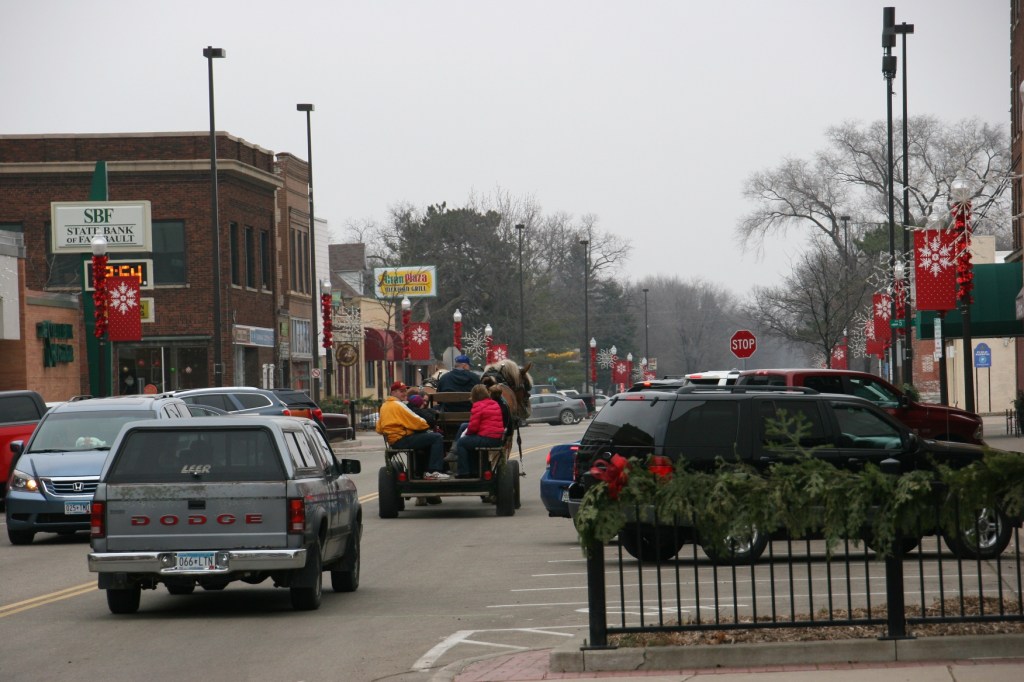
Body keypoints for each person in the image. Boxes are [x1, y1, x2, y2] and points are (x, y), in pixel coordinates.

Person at [376, 381, 449, 479]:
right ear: (393, 392)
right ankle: (433, 471)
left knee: (426, 439)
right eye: (401, 391)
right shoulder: (398, 405)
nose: (404, 393)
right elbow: (416, 420)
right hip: (402, 439)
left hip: (393, 440)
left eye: (405, 391)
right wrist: (425, 426)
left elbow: (379, 428)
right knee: (437, 437)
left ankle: (421, 471)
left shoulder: (384, 406)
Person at [454, 384, 506, 478]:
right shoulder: (494, 403)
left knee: (462, 442)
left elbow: (473, 427)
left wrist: (467, 435)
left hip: (487, 438)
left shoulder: (478, 405)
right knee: (464, 426)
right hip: (496, 437)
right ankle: (474, 470)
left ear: (474, 395)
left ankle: (463, 472)